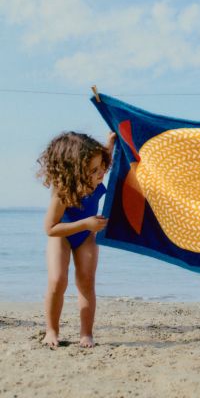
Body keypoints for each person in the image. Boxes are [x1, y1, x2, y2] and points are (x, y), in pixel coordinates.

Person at [37, 131, 116, 348]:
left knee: (86, 282)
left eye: (102, 167)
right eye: (94, 170)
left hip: (85, 237)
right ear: (74, 171)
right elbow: (50, 228)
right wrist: (86, 224)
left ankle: (86, 333)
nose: (101, 173)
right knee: (57, 280)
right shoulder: (62, 192)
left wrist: (110, 143)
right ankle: (51, 330)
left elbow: (104, 159)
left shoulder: (96, 176)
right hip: (62, 236)